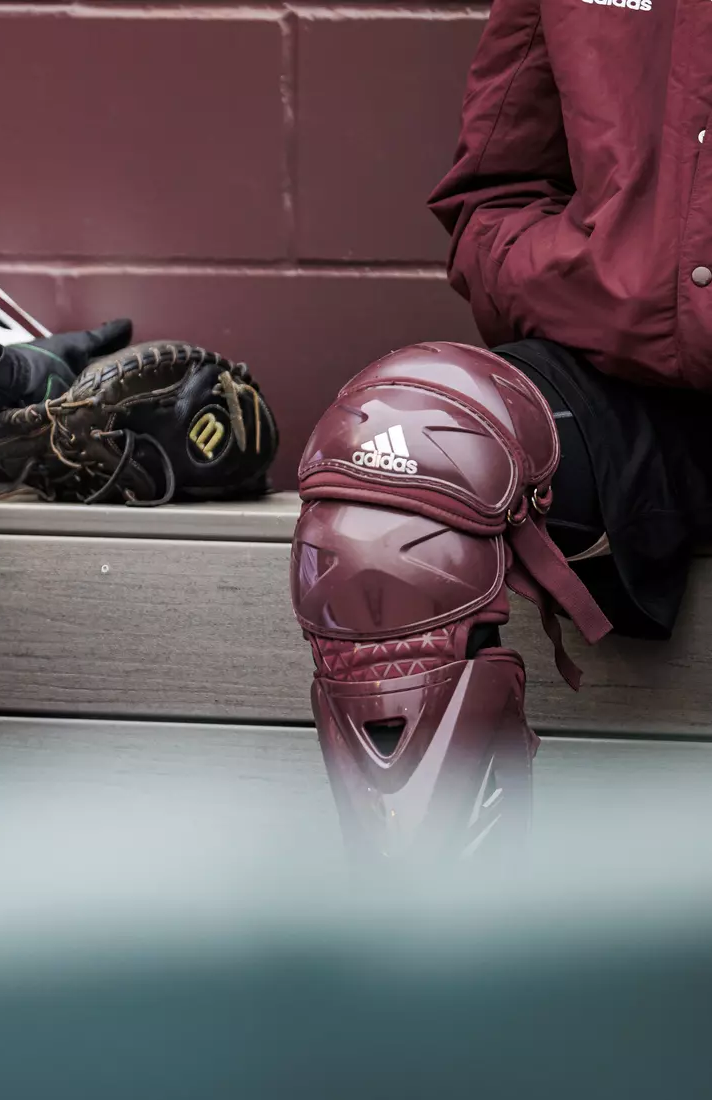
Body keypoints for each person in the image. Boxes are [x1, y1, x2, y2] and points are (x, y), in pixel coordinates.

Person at [291, 0, 711, 863]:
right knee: (401, 466)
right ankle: (443, 968)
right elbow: (492, 200)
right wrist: (628, 294)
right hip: (641, 385)